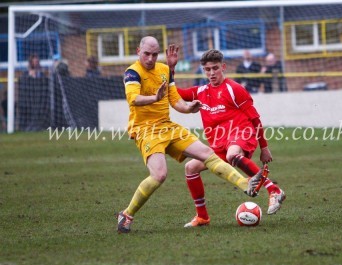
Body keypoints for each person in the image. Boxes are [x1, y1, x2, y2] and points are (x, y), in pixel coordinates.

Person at [117, 36, 265, 234]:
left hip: (168, 126)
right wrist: (155, 97)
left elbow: (176, 101)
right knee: (159, 175)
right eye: (147, 54)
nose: (151, 58)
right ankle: (126, 214)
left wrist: (189, 108)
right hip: (146, 130)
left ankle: (246, 185)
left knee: (207, 154)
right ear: (138, 51)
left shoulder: (164, 71)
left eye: (154, 54)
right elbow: (133, 99)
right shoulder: (132, 73)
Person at [172, 49, 286, 227]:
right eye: (207, 69)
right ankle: (202, 217)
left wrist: (264, 147)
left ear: (223, 67)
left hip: (242, 133)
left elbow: (255, 119)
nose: (211, 73)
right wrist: (170, 69)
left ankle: (274, 190)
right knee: (191, 167)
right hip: (220, 143)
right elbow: (175, 93)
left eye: (215, 68)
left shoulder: (235, 89)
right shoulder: (201, 91)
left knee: (233, 154)